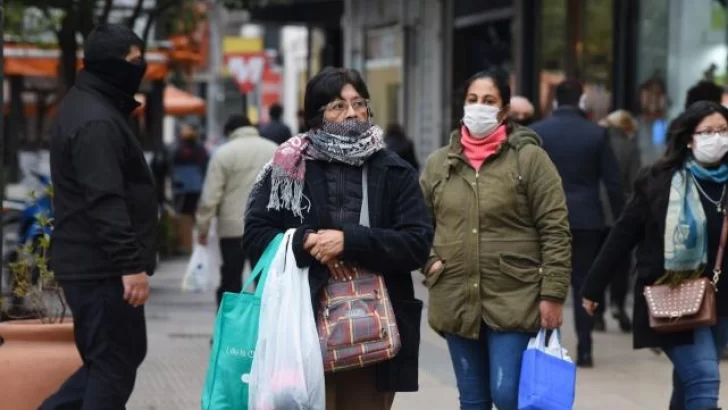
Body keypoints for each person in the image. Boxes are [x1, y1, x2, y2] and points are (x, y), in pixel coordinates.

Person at [243, 67, 433, 410]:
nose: (351, 113)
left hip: (371, 332)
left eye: (358, 103)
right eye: (337, 106)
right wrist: (306, 243)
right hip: (299, 327)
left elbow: (417, 243)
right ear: (316, 117)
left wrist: (350, 241)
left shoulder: (394, 171)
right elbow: (256, 238)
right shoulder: (286, 169)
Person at [420, 69, 571, 410]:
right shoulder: (438, 164)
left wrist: (554, 293)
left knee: (507, 395)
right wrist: (429, 263)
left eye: (489, 101)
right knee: (472, 400)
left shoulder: (529, 159)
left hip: (515, 296)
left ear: (504, 110)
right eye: (472, 100)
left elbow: (555, 227)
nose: (479, 107)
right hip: (456, 296)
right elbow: (417, 226)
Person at [582, 101, 728, 410]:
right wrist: (594, 286)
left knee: (688, 383)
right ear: (689, 138)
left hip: (721, 301)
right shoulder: (659, 180)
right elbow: (623, 233)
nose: (717, 138)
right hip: (672, 296)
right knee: (704, 377)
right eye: (708, 131)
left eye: (723, 131)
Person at [43, 23, 157, 409]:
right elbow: (105, 198)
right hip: (102, 267)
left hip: (93, 263)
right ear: (110, 65)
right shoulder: (96, 120)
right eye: (134, 61)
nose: (141, 67)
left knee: (113, 360)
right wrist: (130, 265)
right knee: (112, 366)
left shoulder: (92, 107)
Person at [530, 78, 625, 367]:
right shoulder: (595, 134)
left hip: (544, 219)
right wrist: (621, 220)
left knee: (543, 282)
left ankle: (546, 342)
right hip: (586, 218)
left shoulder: (537, 132)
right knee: (583, 282)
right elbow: (612, 182)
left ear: (556, 101)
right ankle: (585, 347)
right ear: (580, 101)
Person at [195, 115, 277, 307]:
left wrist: (203, 228)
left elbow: (210, 196)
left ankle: (229, 331)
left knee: (231, 283)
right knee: (266, 283)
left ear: (230, 132)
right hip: (266, 228)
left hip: (232, 229)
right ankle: (264, 331)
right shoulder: (273, 149)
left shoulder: (223, 153)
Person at [593, 109, 643, 333]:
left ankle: (597, 311)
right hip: (620, 209)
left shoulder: (595, 142)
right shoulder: (629, 146)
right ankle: (618, 304)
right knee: (620, 262)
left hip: (594, 210)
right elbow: (636, 181)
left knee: (597, 259)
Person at [171, 122, 209, 254]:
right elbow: (205, 165)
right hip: (196, 185)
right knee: (194, 215)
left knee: (184, 216)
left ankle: (187, 246)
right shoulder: (199, 148)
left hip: (182, 187)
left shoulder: (177, 147)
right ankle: (197, 245)